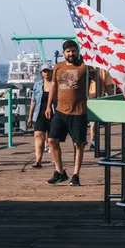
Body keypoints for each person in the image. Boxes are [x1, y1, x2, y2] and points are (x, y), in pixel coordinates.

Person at [46, 39, 93, 187]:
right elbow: (53, 87)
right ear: (63, 53)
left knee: (78, 144)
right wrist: (48, 106)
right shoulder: (58, 67)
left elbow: (97, 79)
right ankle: (59, 172)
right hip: (60, 111)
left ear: (77, 51)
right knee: (52, 140)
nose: (71, 53)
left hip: (79, 112)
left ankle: (75, 175)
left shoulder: (84, 66)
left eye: (73, 50)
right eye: (68, 51)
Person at [28, 64, 54, 168]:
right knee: (38, 135)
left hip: (53, 114)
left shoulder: (55, 84)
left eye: (48, 71)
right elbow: (33, 101)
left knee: (53, 139)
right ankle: (38, 160)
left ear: (52, 72)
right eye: (44, 71)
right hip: (39, 114)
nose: (46, 73)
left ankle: (54, 158)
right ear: (41, 73)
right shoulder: (37, 85)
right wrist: (30, 116)